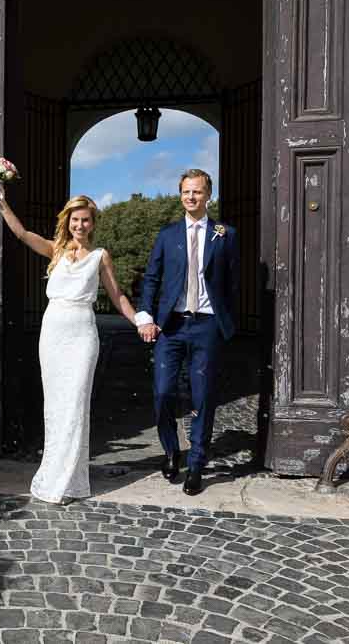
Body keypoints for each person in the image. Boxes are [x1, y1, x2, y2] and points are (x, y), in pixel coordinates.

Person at [0, 193, 139, 504]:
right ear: (68, 222)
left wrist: (140, 321)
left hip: (83, 334)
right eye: (75, 219)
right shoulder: (55, 250)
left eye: (85, 219)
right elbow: (20, 233)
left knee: (75, 405)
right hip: (53, 333)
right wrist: (2, 200)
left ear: (92, 223)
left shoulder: (100, 256)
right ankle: (54, 476)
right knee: (56, 406)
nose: (80, 224)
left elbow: (118, 297)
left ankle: (69, 481)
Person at [135, 169, 239, 496]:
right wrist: (145, 317)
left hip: (207, 324)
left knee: (203, 395)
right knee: (163, 392)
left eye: (197, 192)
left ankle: (196, 463)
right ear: (180, 195)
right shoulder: (167, 235)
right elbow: (151, 278)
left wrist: (227, 321)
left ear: (208, 195)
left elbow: (233, 282)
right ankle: (171, 451)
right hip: (172, 325)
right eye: (185, 192)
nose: (191, 197)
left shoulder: (226, 235)